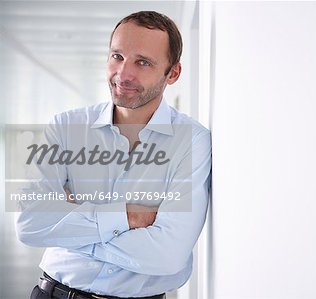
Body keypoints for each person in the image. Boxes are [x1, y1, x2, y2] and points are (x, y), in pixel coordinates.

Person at [15, 11, 211, 299]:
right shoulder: (67, 126)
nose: (123, 74)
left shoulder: (192, 141)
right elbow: (30, 224)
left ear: (173, 73)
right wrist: (126, 217)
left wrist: (71, 225)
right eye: (117, 57)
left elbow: (167, 256)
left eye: (142, 62)